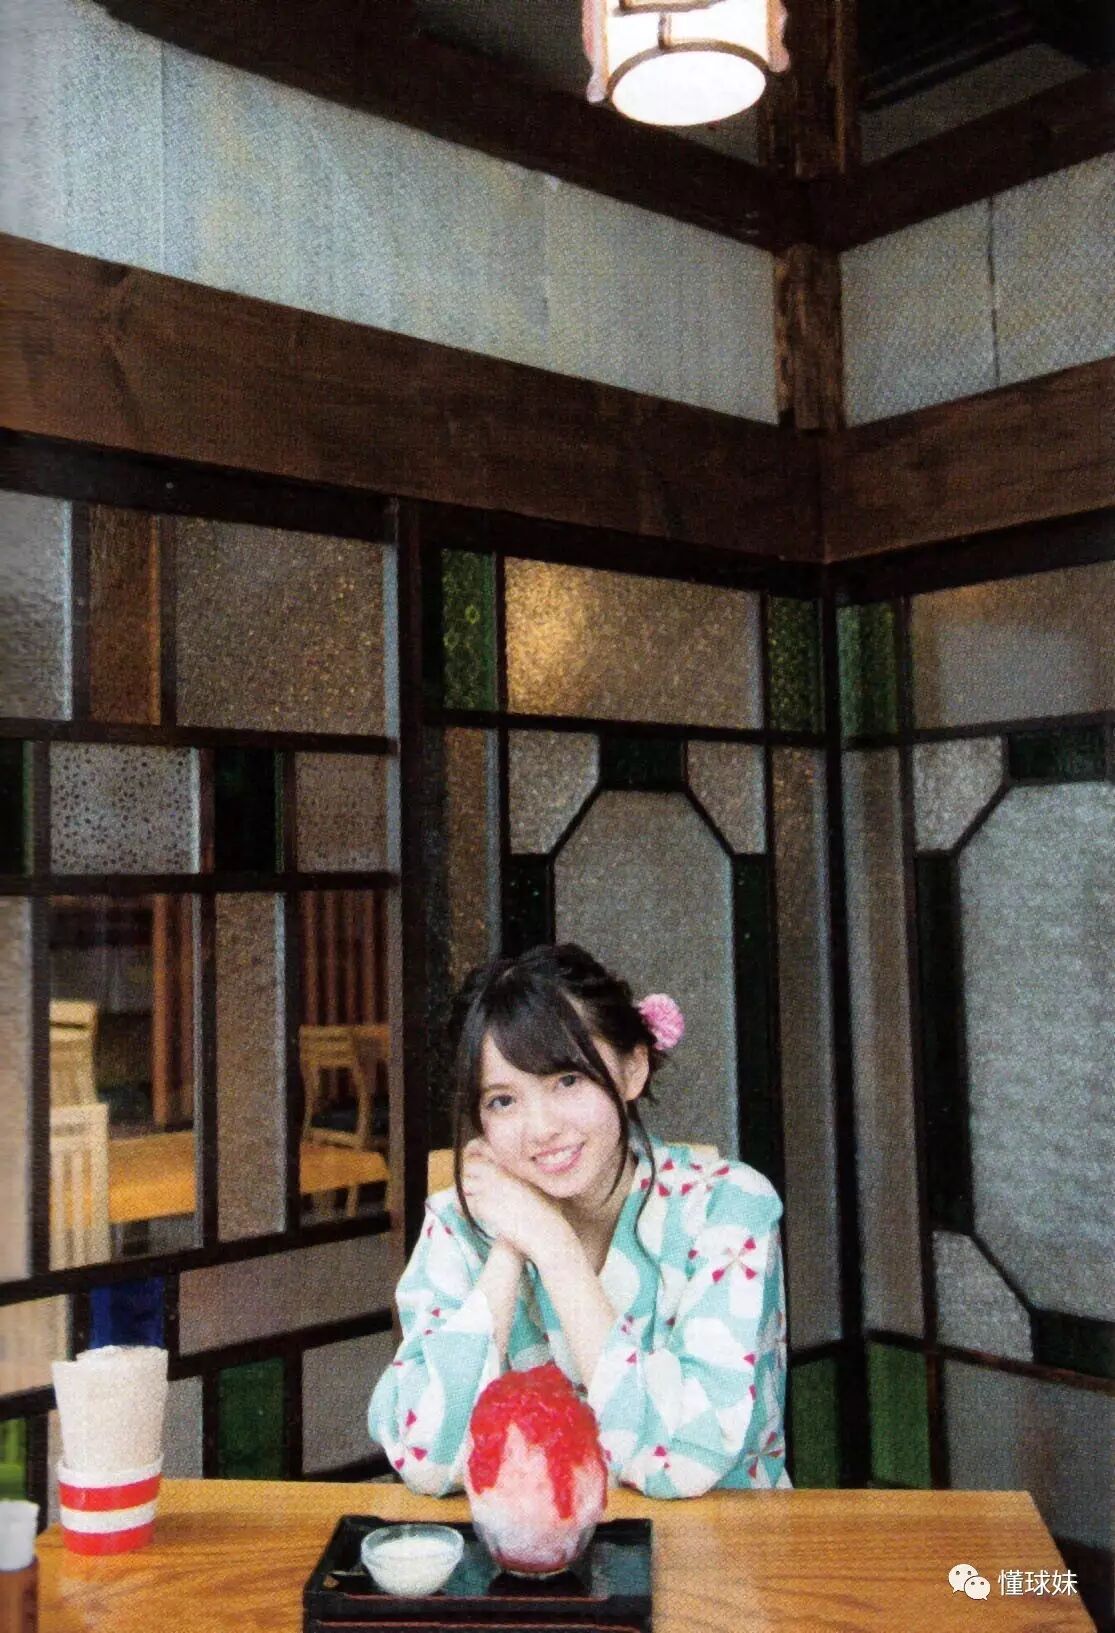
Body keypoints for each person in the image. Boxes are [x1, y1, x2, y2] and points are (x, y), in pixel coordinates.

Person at [368, 943, 791, 1498]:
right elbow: (425, 1458)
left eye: (567, 1081)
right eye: (502, 1101)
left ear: (632, 1068)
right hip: (529, 1546)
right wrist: (510, 1247)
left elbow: (680, 1462)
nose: (541, 1128)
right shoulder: (461, 1221)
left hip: (723, 1538)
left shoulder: (727, 1207)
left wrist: (553, 1247)